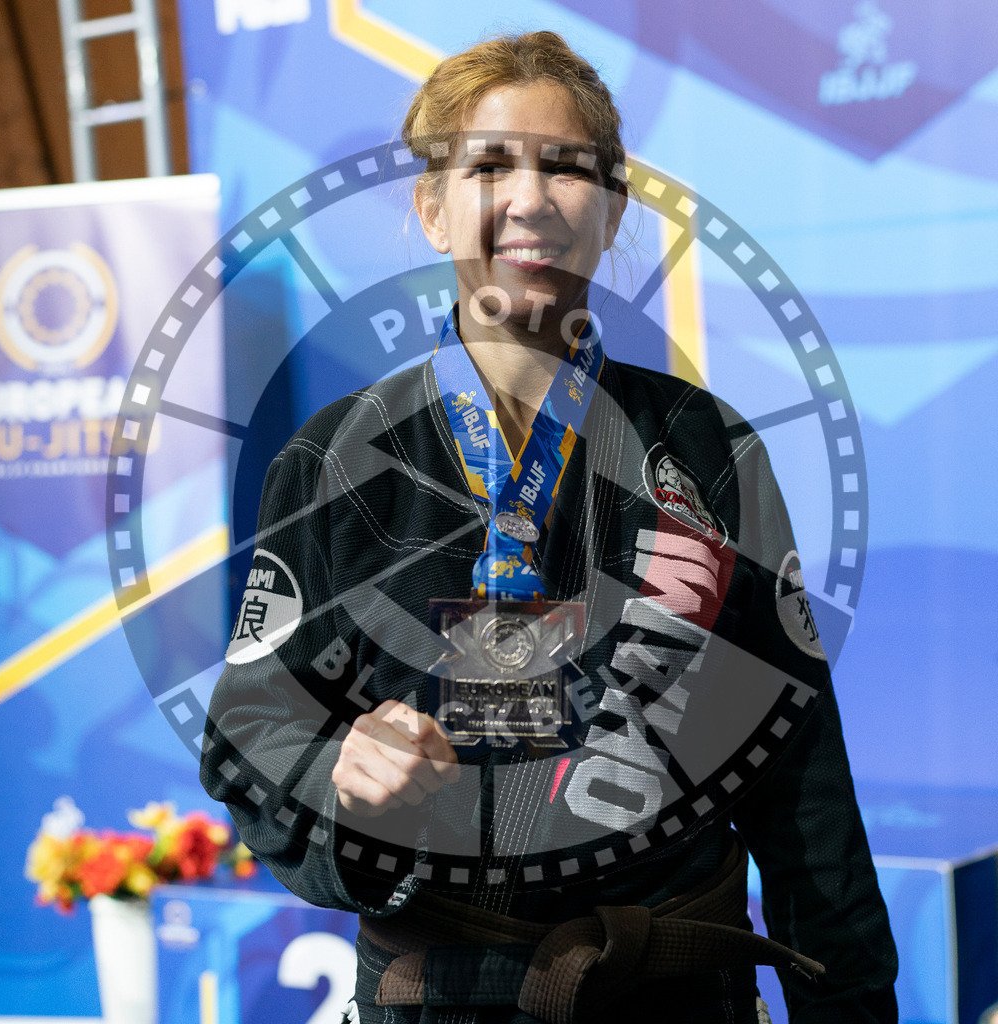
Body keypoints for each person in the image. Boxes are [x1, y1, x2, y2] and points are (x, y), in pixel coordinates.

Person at [201, 30, 898, 1023]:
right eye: (488, 166)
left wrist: (853, 1004)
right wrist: (336, 780)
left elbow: (799, 776)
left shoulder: (705, 448)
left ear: (611, 212)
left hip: (673, 992)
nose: (529, 199)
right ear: (432, 211)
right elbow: (250, 728)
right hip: (432, 995)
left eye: (566, 168)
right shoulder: (332, 460)